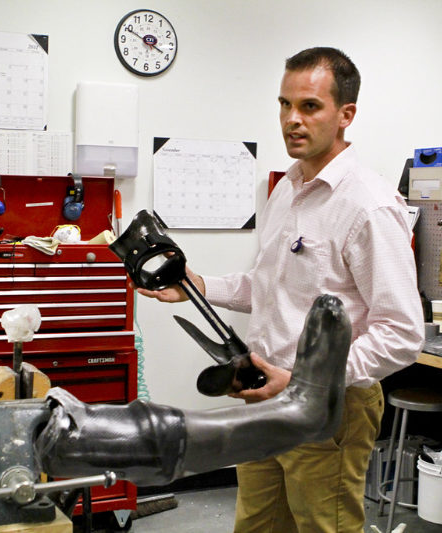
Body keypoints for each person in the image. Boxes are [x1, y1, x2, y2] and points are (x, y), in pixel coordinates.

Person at [139, 47, 425, 533]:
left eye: (309, 106)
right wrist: (198, 287)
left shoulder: (368, 205)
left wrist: (305, 380)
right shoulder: (287, 187)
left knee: (323, 527)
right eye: (284, 105)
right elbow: (269, 287)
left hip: (327, 408)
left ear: (345, 115)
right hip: (263, 396)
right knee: (257, 525)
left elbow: (401, 333)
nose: (292, 119)